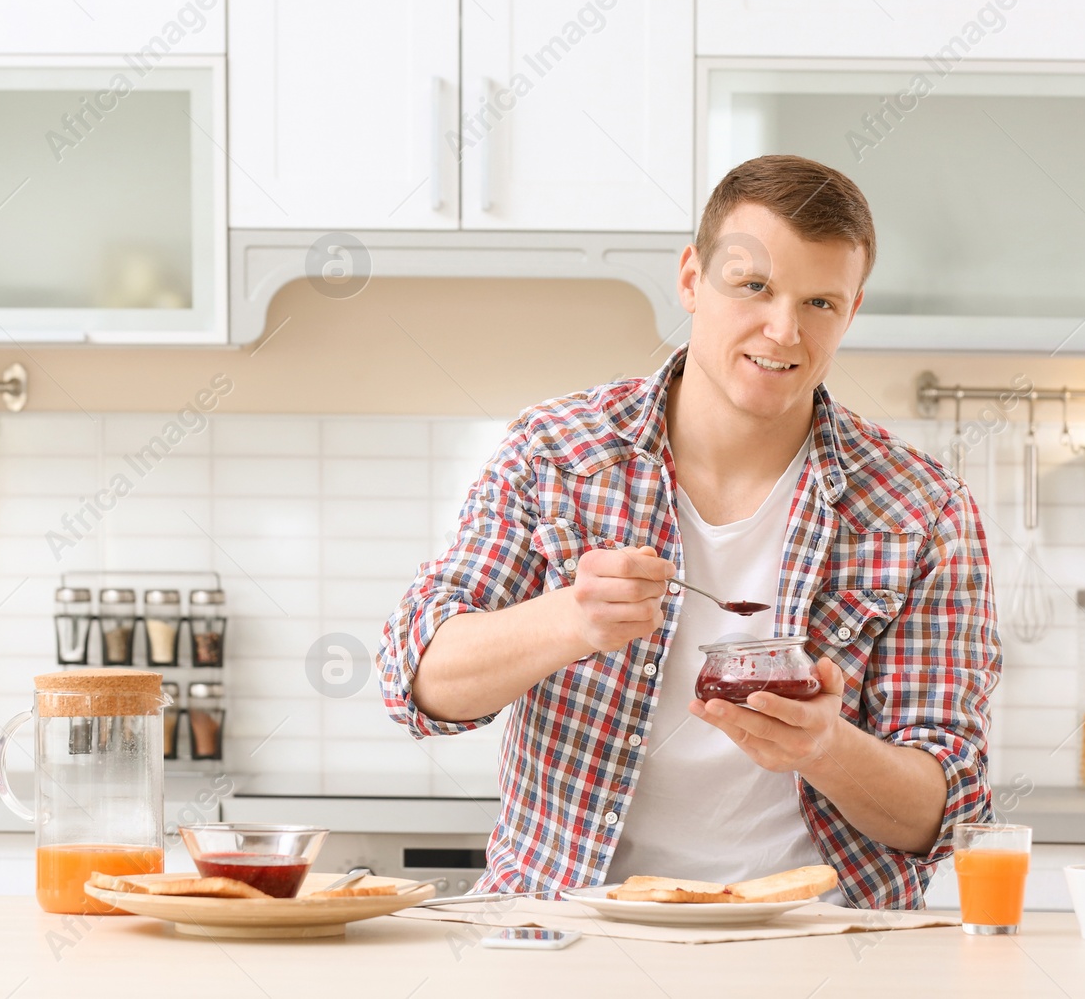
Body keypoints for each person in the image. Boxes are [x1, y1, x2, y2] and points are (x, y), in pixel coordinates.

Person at [377, 154, 1001, 909]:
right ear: (690, 279)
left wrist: (827, 748)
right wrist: (568, 618)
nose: (784, 330)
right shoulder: (557, 454)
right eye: (755, 288)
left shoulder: (922, 511)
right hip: (570, 933)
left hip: (820, 945)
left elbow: (946, 815)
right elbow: (417, 684)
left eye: (820, 303)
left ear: (852, 311)